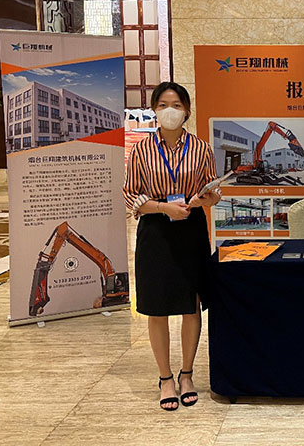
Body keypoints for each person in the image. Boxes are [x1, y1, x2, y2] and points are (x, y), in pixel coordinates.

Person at [123, 82, 221, 411]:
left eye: (176, 105)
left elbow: (212, 191)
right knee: (157, 306)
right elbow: (131, 194)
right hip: (155, 230)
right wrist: (164, 207)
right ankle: (165, 377)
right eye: (163, 104)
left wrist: (205, 198)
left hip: (191, 228)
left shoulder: (201, 148)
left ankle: (187, 374)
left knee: (191, 304)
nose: (170, 111)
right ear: (154, 110)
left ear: (187, 111)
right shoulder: (141, 150)